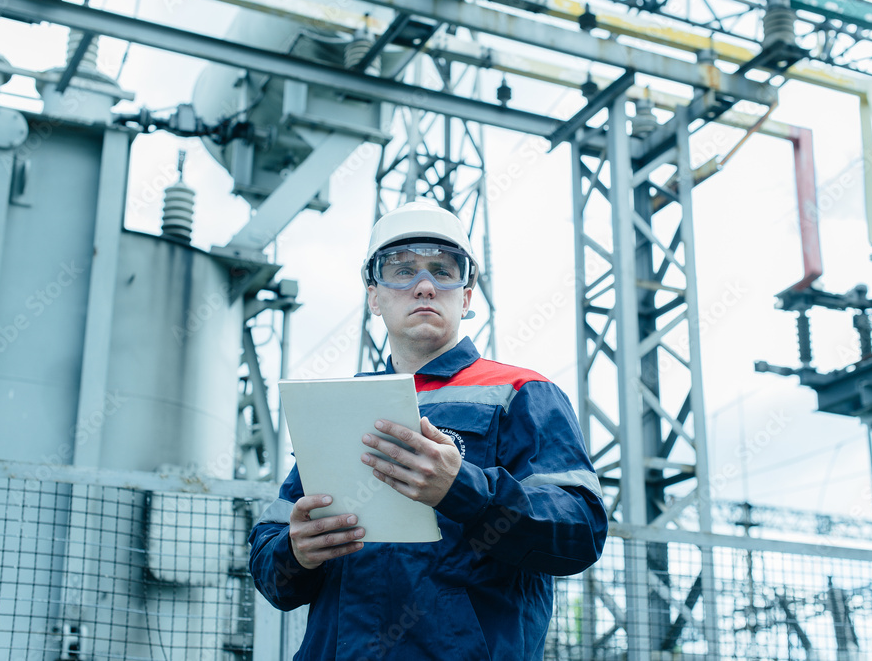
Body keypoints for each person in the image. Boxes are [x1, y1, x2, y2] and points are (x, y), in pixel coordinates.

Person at [248, 201, 608, 660]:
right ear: (374, 296)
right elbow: (272, 577)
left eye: (443, 270)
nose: (424, 286)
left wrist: (463, 489)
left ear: (467, 296)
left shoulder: (522, 392)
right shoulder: (336, 407)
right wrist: (295, 551)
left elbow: (579, 533)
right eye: (401, 270)